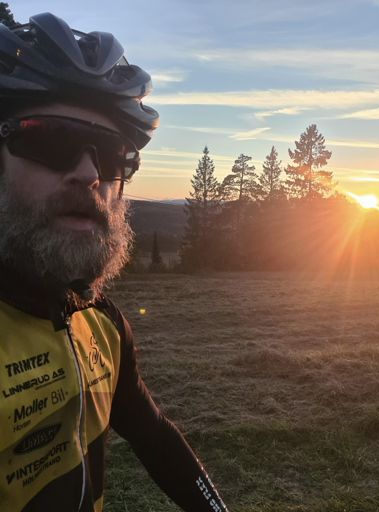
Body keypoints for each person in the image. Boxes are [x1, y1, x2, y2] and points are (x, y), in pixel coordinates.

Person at [0, 12, 229, 512]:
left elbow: (153, 435)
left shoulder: (100, 321)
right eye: (50, 140)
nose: (89, 173)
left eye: (111, 155)